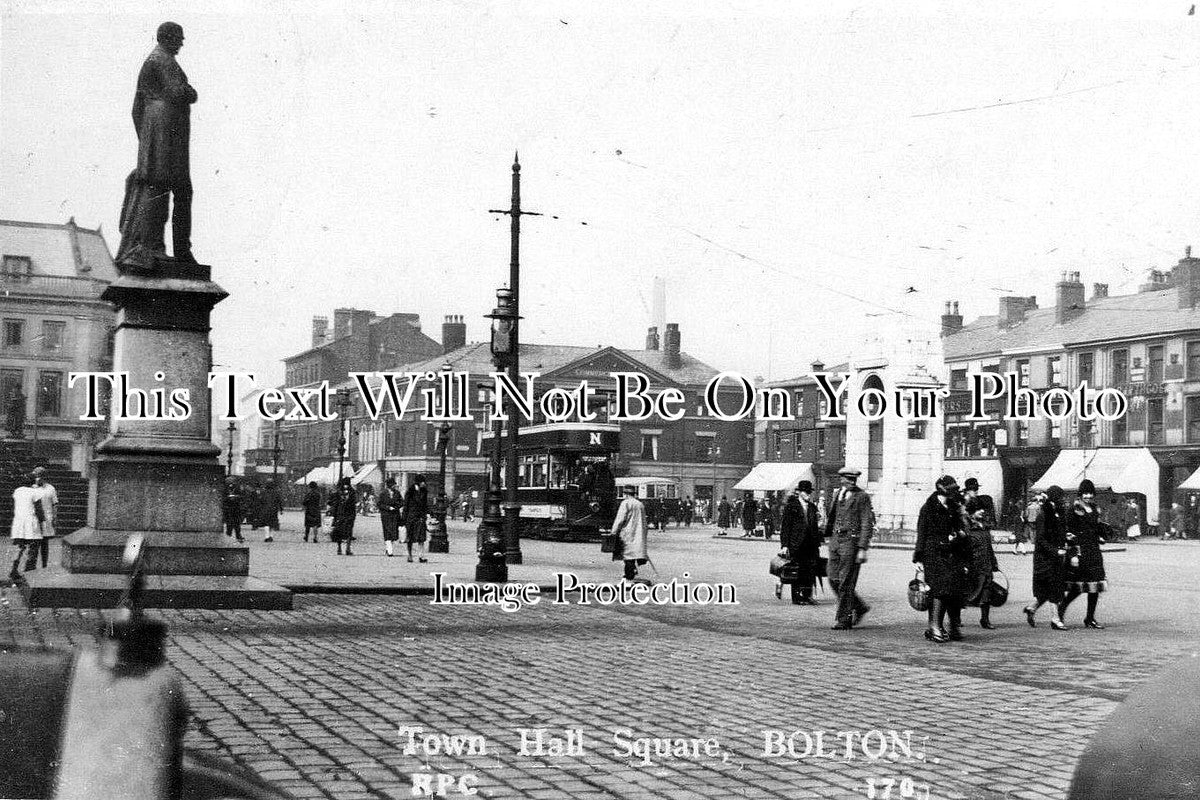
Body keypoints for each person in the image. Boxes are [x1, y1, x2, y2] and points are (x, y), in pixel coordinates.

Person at [116, 22, 198, 267]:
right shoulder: (161, 60)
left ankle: (166, 247)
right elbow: (179, 92)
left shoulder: (155, 61)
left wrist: (146, 143)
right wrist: (191, 92)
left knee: (164, 188)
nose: (182, 43)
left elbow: (136, 110)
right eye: (179, 38)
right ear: (168, 38)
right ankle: (173, 249)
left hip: (159, 137)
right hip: (167, 137)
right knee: (174, 189)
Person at [914, 476, 972, 642]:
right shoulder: (929, 508)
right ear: (942, 490)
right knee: (939, 589)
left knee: (954, 590)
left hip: (953, 553)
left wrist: (960, 534)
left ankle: (952, 627)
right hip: (934, 553)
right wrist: (918, 558)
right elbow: (922, 533)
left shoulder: (954, 508)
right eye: (951, 490)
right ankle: (935, 626)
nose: (954, 493)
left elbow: (962, 529)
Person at [824, 467, 874, 630]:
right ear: (842, 480)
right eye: (848, 480)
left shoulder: (862, 497)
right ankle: (858, 606)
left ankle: (844, 619)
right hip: (836, 541)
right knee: (832, 578)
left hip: (851, 543)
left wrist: (862, 548)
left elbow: (867, 523)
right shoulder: (838, 494)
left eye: (854, 480)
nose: (852, 483)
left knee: (846, 581)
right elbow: (832, 515)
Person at [1060, 479, 1107, 629]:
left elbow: (1097, 527)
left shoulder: (1094, 508)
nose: (1088, 496)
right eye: (1085, 493)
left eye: (1090, 493)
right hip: (1080, 550)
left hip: (1094, 550)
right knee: (1077, 587)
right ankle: (1060, 611)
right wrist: (1073, 553)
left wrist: (1102, 535)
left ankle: (1090, 618)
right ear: (1080, 494)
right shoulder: (1074, 509)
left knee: (1095, 586)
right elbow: (1068, 531)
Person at [1024, 485, 1069, 630]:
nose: (1062, 500)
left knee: (1048, 590)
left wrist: (1066, 537)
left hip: (1055, 556)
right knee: (1053, 588)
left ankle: (1032, 608)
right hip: (1045, 558)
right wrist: (1056, 551)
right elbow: (1041, 539)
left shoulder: (1057, 513)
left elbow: (1058, 533)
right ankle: (1055, 619)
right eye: (1060, 498)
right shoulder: (1043, 515)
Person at [963, 477, 1000, 630]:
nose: (983, 512)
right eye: (980, 510)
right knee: (966, 592)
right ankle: (956, 618)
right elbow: (964, 549)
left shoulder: (984, 528)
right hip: (973, 565)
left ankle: (985, 619)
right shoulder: (967, 529)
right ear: (972, 513)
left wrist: (994, 562)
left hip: (986, 564)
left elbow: (989, 546)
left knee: (987, 591)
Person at [778, 482, 822, 604]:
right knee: (798, 571)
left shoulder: (813, 507)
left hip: (811, 545)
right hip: (796, 544)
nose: (809, 494)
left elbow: (815, 526)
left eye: (810, 492)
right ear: (799, 492)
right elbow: (785, 527)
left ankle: (808, 596)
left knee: (810, 571)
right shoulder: (791, 507)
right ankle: (797, 597)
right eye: (806, 492)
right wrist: (785, 545)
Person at [9, 471, 45, 578]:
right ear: (33, 481)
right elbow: (39, 509)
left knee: (19, 547)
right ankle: (29, 570)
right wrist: (42, 520)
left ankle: (14, 569)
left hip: (19, 522)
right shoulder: (35, 493)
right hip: (31, 522)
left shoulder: (17, 491)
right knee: (34, 546)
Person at [611, 484, 649, 582]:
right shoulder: (640, 504)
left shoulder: (625, 503)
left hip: (628, 532)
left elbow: (620, 519)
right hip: (639, 532)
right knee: (635, 552)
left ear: (626, 494)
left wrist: (614, 531)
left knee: (627, 554)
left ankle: (629, 576)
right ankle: (631, 571)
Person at [30, 467, 57, 569]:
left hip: (47, 520)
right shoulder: (32, 488)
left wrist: (54, 518)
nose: (37, 478)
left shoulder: (51, 488)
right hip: (35, 519)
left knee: (44, 544)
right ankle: (32, 568)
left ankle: (44, 566)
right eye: (36, 476)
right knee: (34, 545)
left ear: (44, 477)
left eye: (39, 476)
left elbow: (55, 504)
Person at [326, 477, 357, 556]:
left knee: (339, 531)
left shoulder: (338, 492)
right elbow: (354, 503)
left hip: (340, 514)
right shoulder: (352, 491)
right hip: (349, 514)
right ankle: (347, 549)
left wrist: (333, 513)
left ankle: (339, 548)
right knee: (349, 532)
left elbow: (333, 503)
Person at [403, 474, 429, 563]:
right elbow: (405, 505)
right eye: (423, 482)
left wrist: (427, 514)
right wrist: (404, 519)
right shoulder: (410, 491)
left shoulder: (424, 491)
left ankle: (421, 556)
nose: (424, 483)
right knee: (410, 538)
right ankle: (409, 555)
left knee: (421, 537)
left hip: (421, 517)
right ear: (419, 482)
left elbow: (425, 505)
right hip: (411, 517)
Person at [378, 476, 403, 557]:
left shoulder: (397, 493)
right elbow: (379, 504)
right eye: (393, 485)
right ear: (389, 485)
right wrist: (388, 507)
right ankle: (390, 550)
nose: (394, 486)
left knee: (393, 533)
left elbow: (402, 502)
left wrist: (396, 507)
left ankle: (389, 547)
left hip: (395, 515)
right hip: (386, 515)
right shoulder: (383, 493)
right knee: (387, 532)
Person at [222, 477, 244, 542]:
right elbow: (223, 497)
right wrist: (228, 498)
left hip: (236, 507)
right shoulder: (225, 489)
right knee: (229, 523)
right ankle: (229, 534)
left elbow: (241, 496)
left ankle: (238, 535)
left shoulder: (237, 488)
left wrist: (236, 497)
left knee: (236, 522)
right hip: (228, 507)